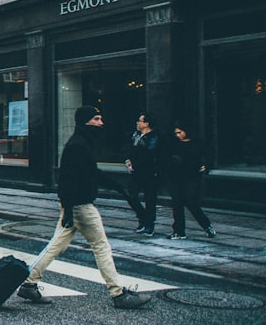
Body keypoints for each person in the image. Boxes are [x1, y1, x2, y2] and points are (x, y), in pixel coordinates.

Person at [17, 106, 151, 309]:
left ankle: (28, 283)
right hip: (80, 205)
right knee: (101, 246)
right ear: (85, 121)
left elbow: (91, 173)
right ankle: (118, 293)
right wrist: (69, 210)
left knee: (57, 246)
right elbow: (67, 180)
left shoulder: (83, 143)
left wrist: (118, 188)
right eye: (97, 119)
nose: (101, 123)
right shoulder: (78, 145)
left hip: (76, 204)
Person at [166, 123, 216, 240]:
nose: (178, 135)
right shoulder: (174, 144)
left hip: (191, 177)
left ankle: (207, 225)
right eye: (176, 133)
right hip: (176, 177)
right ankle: (179, 231)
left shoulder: (197, 143)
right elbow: (167, 158)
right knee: (177, 204)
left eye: (180, 132)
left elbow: (208, 155)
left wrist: (205, 165)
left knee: (191, 202)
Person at [124, 112, 160, 236]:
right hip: (136, 172)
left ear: (146, 124)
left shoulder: (153, 137)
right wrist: (128, 160)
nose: (137, 123)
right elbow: (129, 149)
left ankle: (149, 224)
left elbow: (149, 155)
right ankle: (143, 218)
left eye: (140, 121)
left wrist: (134, 165)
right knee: (130, 195)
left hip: (149, 172)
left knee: (150, 199)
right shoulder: (136, 135)